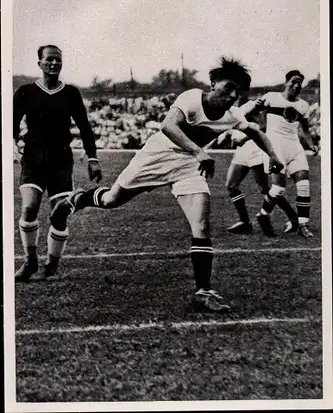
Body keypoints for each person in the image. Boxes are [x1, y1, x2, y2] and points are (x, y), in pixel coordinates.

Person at [51, 57, 283, 313]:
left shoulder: (232, 116)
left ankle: (203, 292)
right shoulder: (192, 98)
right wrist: (199, 152)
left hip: (188, 166)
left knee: (202, 224)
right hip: (157, 156)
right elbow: (168, 126)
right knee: (111, 201)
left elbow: (257, 132)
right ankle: (77, 199)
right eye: (228, 87)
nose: (232, 96)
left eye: (237, 93)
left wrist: (273, 155)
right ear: (213, 82)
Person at [14, 45, 102, 282]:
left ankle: (51, 265)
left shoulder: (71, 93)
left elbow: (84, 126)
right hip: (33, 158)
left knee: (59, 215)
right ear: (40, 63)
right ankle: (30, 262)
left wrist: (92, 158)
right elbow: (11, 122)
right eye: (49, 59)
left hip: (61, 160)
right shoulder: (26, 91)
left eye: (58, 60)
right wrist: (12, 146)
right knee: (29, 208)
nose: (54, 64)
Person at [248, 70, 317, 238]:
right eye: (293, 81)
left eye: (299, 83)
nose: (296, 85)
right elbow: (251, 113)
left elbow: (305, 129)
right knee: (278, 189)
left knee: (304, 185)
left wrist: (311, 144)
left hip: (295, 147)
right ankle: (263, 215)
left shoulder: (303, 105)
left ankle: (303, 225)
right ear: (286, 82)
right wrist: (262, 125)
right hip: (275, 148)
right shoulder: (271, 97)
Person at [224, 96, 298, 234]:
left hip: (256, 148)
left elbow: (263, 127)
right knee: (231, 186)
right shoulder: (233, 108)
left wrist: (244, 137)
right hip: (242, 151)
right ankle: (245, 222)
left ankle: (293, 217)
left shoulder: (251, 105)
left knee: (264, 189)